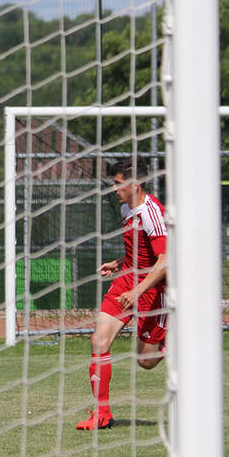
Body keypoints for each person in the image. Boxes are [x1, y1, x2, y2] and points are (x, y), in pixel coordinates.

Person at [79, 156, 167, 430]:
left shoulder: (152, 213)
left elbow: (165, 260)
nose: (113, 189)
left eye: (118, 184)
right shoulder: (126, 209)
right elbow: (138, 252)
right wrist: (118, 263)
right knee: (99, 341)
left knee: (147, 361)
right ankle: (102, 413)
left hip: (153, 287)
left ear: (135, 183)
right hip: (126, 281)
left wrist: (139, 290)